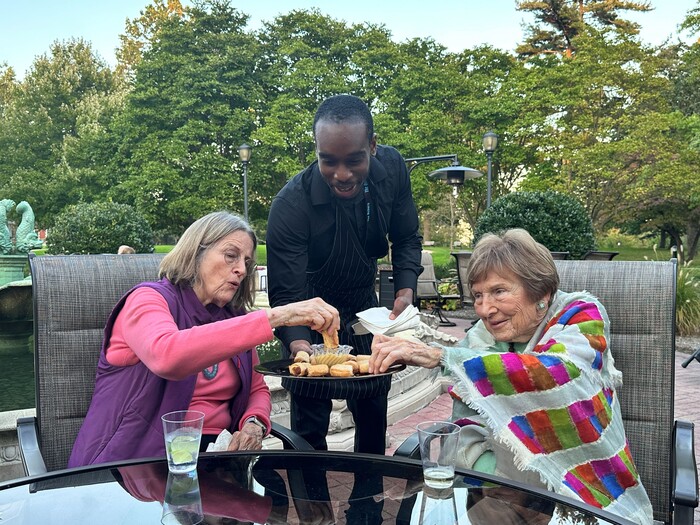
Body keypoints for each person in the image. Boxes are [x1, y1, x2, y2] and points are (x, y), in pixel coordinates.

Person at [370, 229, 654, 524]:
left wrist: (441, 356)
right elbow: (466, 421)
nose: (484, 309)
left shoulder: (579, 314)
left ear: (540, 291)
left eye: (498, 291)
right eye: (478, 295)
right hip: (500, 495)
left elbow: (558, 373)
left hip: (585, 494)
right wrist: (496, 477)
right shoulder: (479, 339)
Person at [68, 211, 339, 467]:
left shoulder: (233, 318)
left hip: (215, 461)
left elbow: (258, 389)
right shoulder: (147, 300)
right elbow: (168, 356)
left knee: (276, 505)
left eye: (246, 262)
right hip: (133, 467)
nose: (241, 270)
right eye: (231, 255)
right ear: (196, 253)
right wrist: (277, 316)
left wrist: (254, 422)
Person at [266, 94, 423, 455]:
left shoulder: (393, 171)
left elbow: (406, 236)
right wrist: (300, 347)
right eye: (328, 161)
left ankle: (366, 507)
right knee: (309, 434)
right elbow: (287, 295)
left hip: (365, 311)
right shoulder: (291, 206)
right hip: (306, 314)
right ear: (317, 150)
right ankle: (311, 507)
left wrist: (405, 289)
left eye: (354, 160)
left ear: (372, 146)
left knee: (372, 423)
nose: (341, 174)